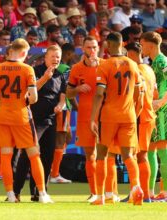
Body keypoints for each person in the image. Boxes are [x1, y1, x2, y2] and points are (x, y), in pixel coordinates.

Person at [0, 39, 53, 203]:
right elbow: (33, 98)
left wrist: (3, 97)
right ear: (24, 53)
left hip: (4, 116)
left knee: (6, 156)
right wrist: (23, 97)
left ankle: (11, 194)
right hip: (22, 116)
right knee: (34, 154)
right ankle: (42, 194)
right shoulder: (27, 69)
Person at [90, 32, 143, 205]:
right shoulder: (132, 64)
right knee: (128, 155)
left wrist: (93, 118)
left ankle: (100, 196)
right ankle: (136, 187)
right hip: (128, 116)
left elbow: (99, 94)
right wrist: (134, 111)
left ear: (109, 45)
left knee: (102, 154)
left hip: (109, 116)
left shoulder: (105, 65)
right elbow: (138, 92)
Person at [13, 45, 66, 202]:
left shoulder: (60, 75)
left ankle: (39, 192)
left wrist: (61, 105)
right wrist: (45, 77)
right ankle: (15, 192)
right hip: (33, 119)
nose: (55, 59)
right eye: (53, 56)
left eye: (58, 57)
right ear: (45, 58)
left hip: (50, 120)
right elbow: (30, 91)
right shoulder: (34, 71)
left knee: (47, 157)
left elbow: (62, 96)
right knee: (28, 156)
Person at [140, 31, 167, 202]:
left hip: (163, 109)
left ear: (150, 44)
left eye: (142, 44)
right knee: (151, 150)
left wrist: (161, 101)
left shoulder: (162, 60)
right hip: (156, 110)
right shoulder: (154, 61)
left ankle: (165, 193)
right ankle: (150, 191)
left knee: (162, 149)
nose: (141, 47)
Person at [66, 36, 104, 202]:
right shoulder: (76, 69)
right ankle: (94, 192)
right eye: (89, 47)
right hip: (85, 116)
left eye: (94, 47)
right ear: (83, 49)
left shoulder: (105, 66)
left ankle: (109, 192)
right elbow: (68, 93)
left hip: (104, 116)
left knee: (107, 154)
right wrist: (78, 89)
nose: (92, 50)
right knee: (90, 154)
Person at [126, 42, 157, 203]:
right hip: (148, 115)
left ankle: (142, 193)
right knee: (140, 155)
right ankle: (140, 192)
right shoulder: (149, 69)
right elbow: (156, 93)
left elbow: (136, 95)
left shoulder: (136, 70)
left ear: (131, 54)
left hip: (139, 116)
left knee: (139, 156)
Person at [50, 43, 77, 184]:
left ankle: (54, 170)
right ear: (69, 54)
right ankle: (54, 174)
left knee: (66, 137)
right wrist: (77, 106)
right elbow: (67, 90)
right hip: (62, 107)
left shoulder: (53, 68)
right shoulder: (65, 69)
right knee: (61, 139)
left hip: (57, 107)